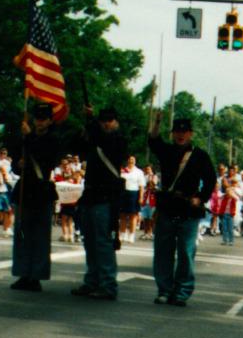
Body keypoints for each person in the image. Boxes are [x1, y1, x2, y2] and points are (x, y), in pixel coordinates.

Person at [146, 113, 216, 306]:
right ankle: (164, 290)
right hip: (168, 207)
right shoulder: (166, 150)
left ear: (191, 134)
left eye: (184, 132)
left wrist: (200, 198)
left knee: (186, 252)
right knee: (163, 252)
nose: (180, 135)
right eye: (177, 131)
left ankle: (182, 292)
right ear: (173, 134)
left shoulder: (200, 155)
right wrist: (157, 122)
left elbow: (210, 180)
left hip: (188, 210)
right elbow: (152, 140)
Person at [72, 105, 127, 300]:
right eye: (103, 120)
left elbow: (105, 141)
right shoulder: (95, 137)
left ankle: (108, 284)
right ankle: (92, 281)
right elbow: (80, 147)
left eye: (109, 120)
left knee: (103, 242)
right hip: (90, 195)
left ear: (116, 122)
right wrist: (86, 128)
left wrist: (91, 121)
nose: (106, 123)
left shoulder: (118, 139)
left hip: (107, 198)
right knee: (90, 241)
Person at [10, 102, 66, 292]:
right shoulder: (27, 137)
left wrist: (28, 137)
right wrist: (19, 163)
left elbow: (47, 158)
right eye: (37, 119)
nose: (39, 122)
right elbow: (16, 165)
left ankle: (37, 276)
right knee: (22, 234)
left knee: (40, 236)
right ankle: (24, 273)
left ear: (50, 121)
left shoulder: (53, 139)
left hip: (42, 191)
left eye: (43, 119)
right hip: (25, 190)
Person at [120, 154, 146, 243]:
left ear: (135, 161)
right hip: (124, 193)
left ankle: (131, 234)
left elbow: (141, 186)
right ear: (127, 160)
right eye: (130, 159)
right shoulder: (123, 171)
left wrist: (141, 197)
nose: (131, 161)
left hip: (134, 193)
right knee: (123, 215)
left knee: (133, 216)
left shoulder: (139, 172)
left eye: (133, 159)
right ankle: (122, 233)